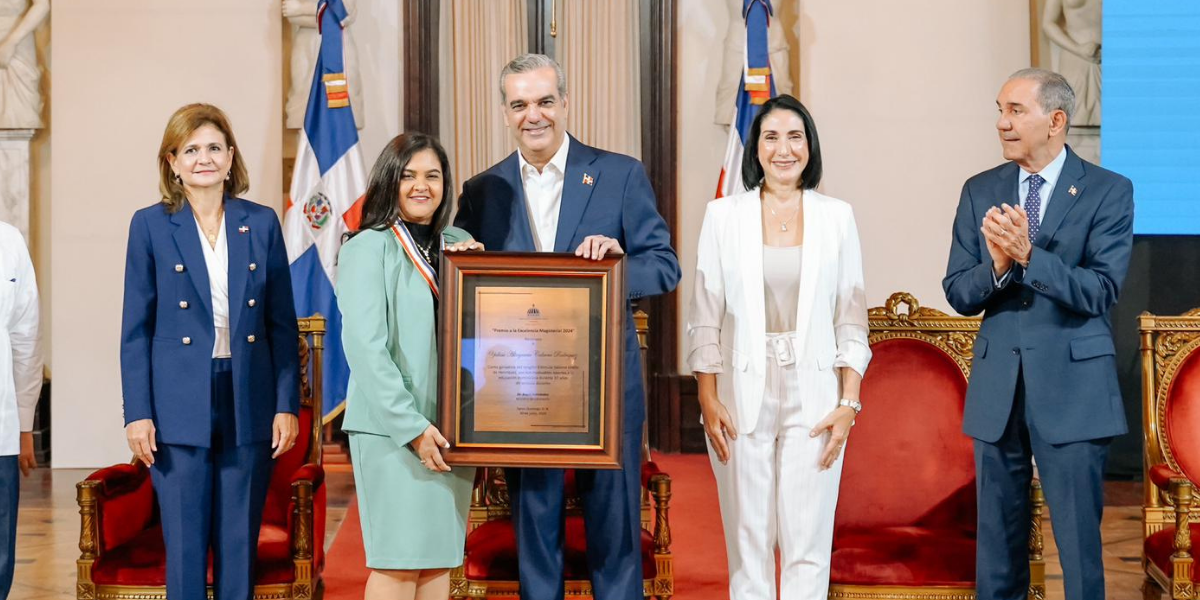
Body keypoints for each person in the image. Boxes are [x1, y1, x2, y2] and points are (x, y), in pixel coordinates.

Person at [454, 53, 680, 600]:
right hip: (521, 392)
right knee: (535, 528)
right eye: (520, 104)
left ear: (566, 103)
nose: (534, 115)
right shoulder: (481, 191)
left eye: (545, 101)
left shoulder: (619, 173)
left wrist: (617, 263)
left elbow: (664, 264)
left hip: (604, 390)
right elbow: (459, 281)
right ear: (506, 112)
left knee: (615, 529)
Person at [943, 68, 1133, 600]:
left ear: (1055, 120)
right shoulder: (980, 190)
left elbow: (1100, 290)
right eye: (998, 110)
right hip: (997, 391)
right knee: (997, 554)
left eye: (1015, 111)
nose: (1002, 123)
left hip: (1075, 392)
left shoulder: (1108, 191)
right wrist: (998, 267)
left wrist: (1029, 257)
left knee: (1077, 551)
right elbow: (959, 291)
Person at [687, 94, 870, 600]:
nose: (783, 149)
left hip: (815, 391)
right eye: (771, 136)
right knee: (747, 540)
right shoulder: (724, 216)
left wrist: (848, 403)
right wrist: (706, 395)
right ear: (756, 147)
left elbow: (851, 317)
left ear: (809, 146)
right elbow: (704, 316)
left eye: (795, 136)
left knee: (807, 537)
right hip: (740, 389)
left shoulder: (837, 217)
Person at [120, 103, 301, 600]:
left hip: (248, 394)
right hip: (177, 401)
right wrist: (138, 413)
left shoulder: (260, 223)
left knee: (239, 539)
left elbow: (281, 326)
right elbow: (135, 330)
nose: (204, 158)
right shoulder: (151, 225)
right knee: (184, 542)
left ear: (230, 156)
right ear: (173, 162)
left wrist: (286, 404)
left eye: (214, 147)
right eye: (192, 149)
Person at [338, 133, 483, 600]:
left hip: (451, 431)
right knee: (398, 564)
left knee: (437, 563)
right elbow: (365, 348)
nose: (422, 186)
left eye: (433, 176)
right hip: (394, 431)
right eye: (409, 175)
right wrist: (413, 428)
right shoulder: (367, 248)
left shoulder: (459, 244)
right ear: (390, 181)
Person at [0, 222, 41, 599]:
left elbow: (25, 338)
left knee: (0, 553)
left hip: (1, 428)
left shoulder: (9, 240)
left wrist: (24, 426)